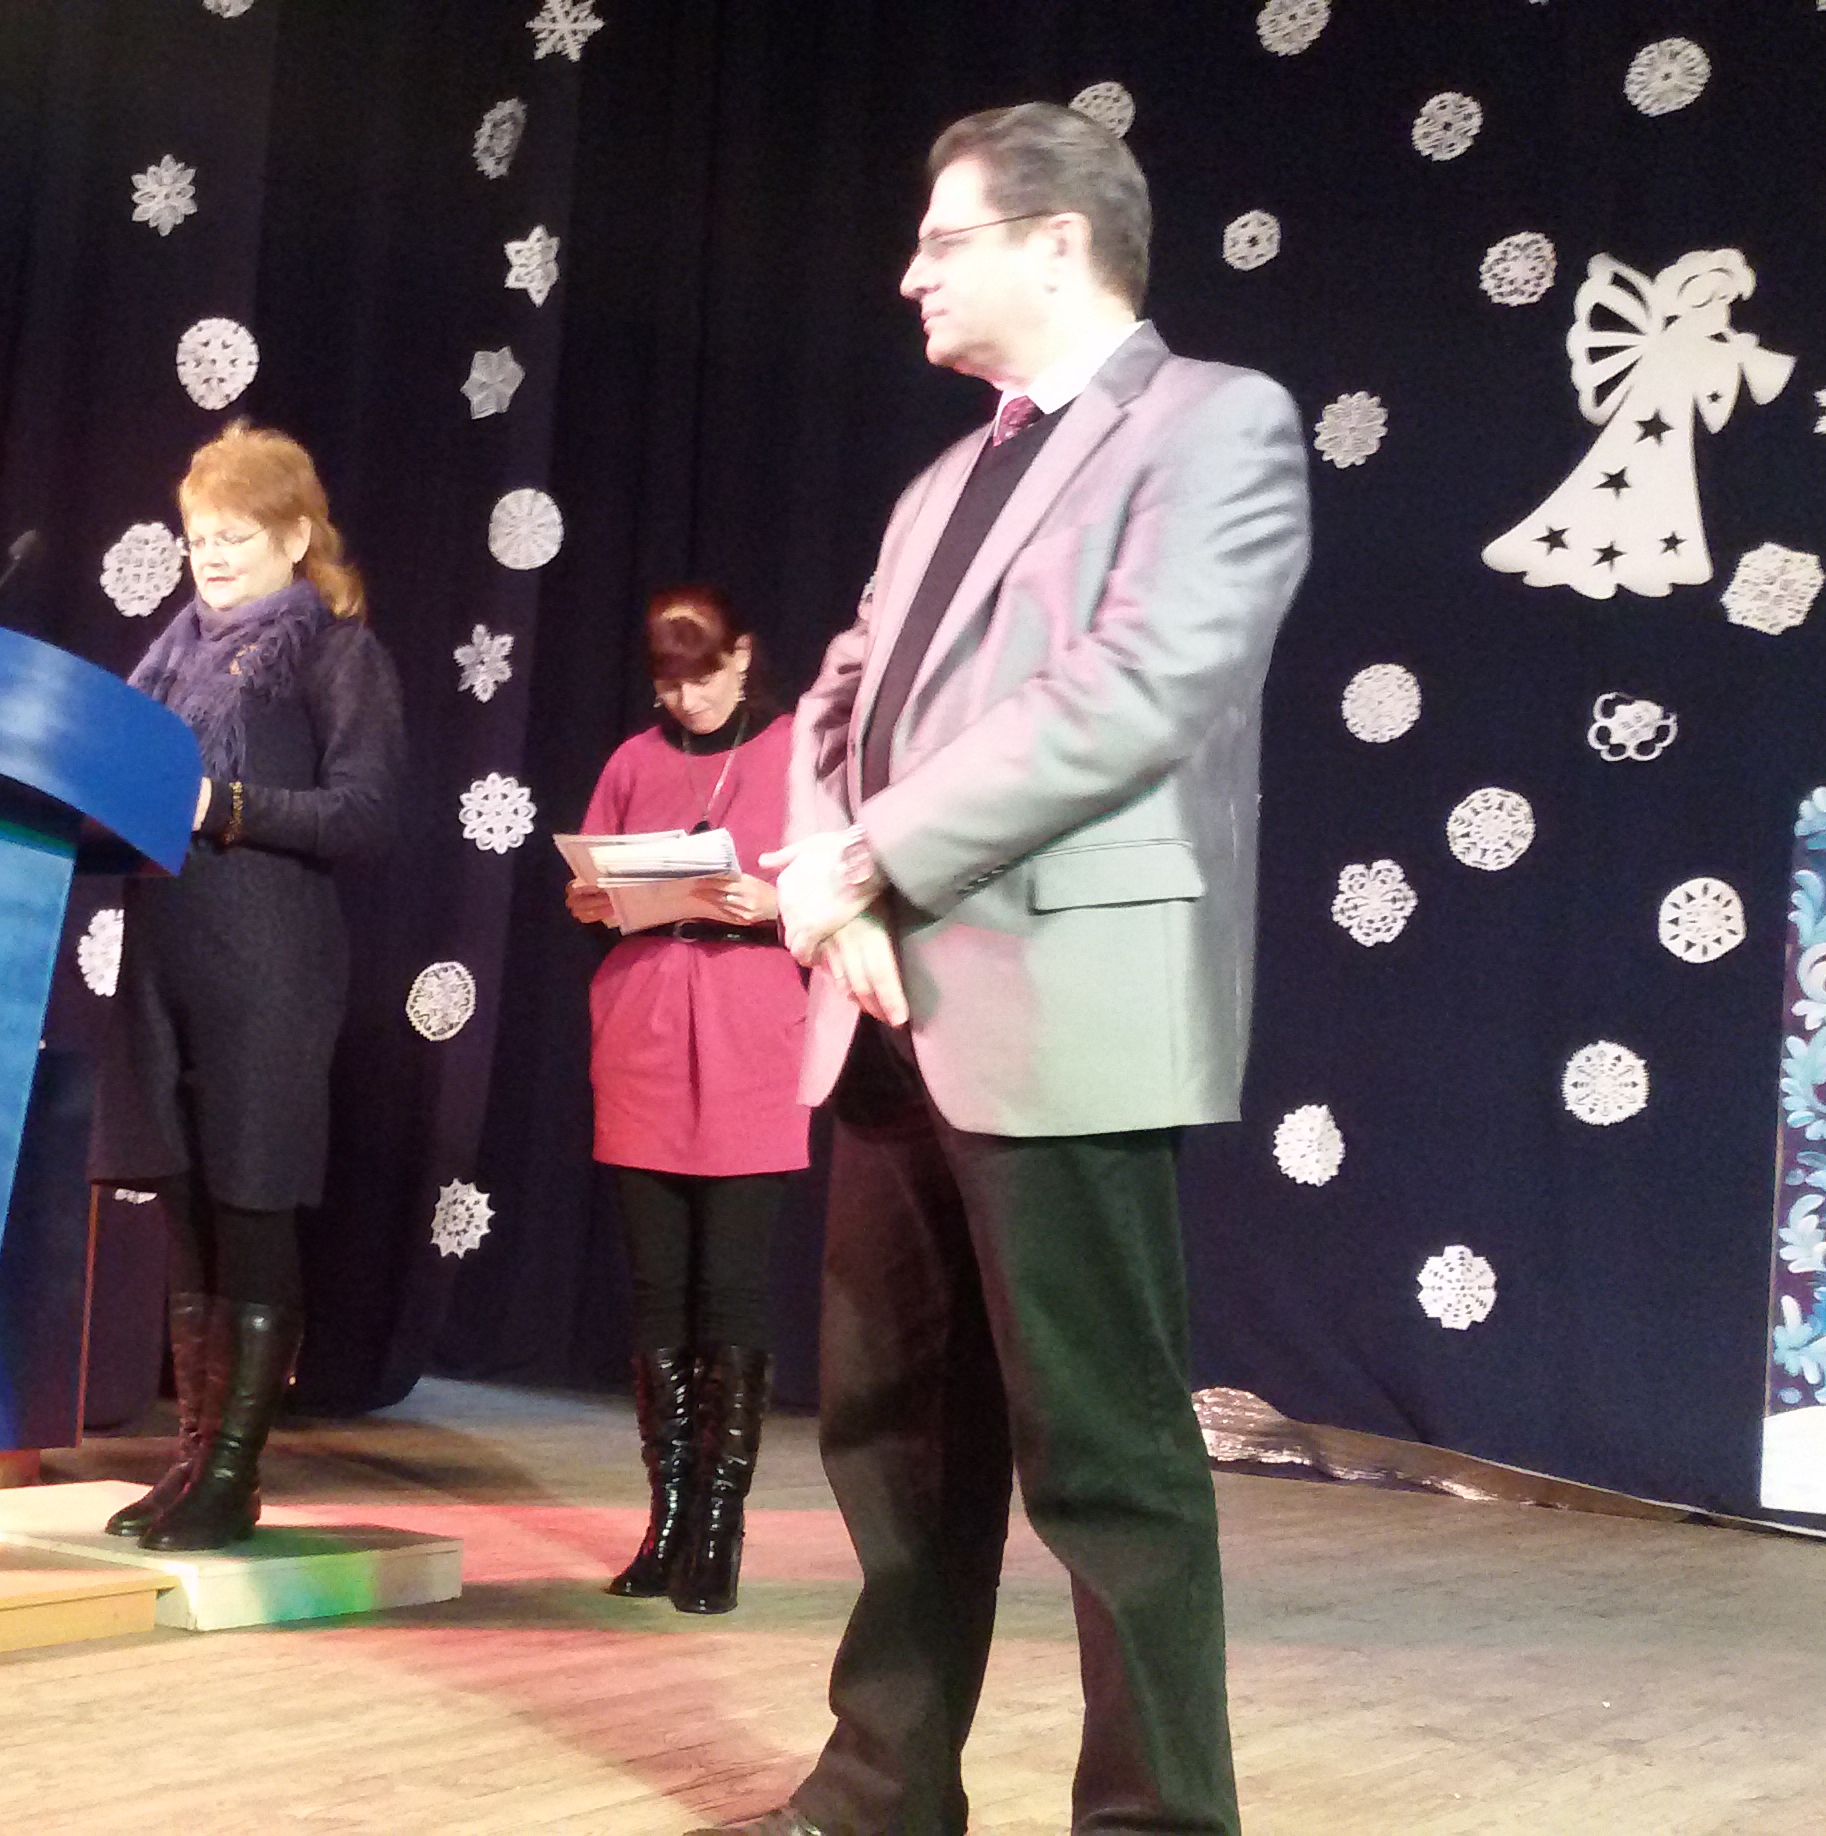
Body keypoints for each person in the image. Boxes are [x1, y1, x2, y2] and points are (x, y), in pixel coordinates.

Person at [700, 102, 1311, 1836]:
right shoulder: (935, 484)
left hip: (1063, 998)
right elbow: (835, 695)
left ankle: (1155, 1819)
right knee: (891, 1439)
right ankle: (880, 1791)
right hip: (885, 1000)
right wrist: (834, 886)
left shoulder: (1216, 423)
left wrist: (873, 855)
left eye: (941, 240)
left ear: (1057, 242)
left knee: (1105, 1454)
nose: (908, 274)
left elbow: (1142, 680)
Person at [91, 419, 404, 1554]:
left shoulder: (336, 655)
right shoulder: (166, 662)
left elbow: (365, 814)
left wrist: (221, 806)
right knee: (187, 1218)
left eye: (235, 534)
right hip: (165, 960)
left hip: (271, 967)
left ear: (296, 537)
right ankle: (191, 1461)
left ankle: (235, 1472)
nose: (211, 555)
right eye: (198, 536)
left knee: (254, 1210)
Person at [565, 587, 809, 1615]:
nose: (688, 699)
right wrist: (593, 897)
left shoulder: (797, 751)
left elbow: (848, 882)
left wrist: (778, 901)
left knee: (732, 1289)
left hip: (751, 1024)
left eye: (702, 677)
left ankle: (718, 1529)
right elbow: (590, 888)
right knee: (659, 1289)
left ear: (744, 656)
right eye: (669, 683)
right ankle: (666, 1519)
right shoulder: (633, 760)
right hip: (646, 1025)